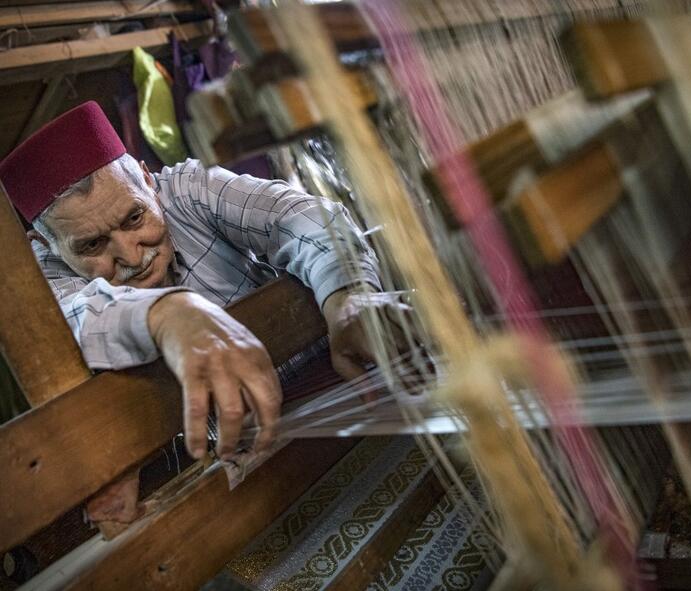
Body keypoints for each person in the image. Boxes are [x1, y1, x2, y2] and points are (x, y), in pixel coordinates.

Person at [0, 101, 396, 460]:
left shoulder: (189, 188)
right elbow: (76, 317)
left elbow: (297, 218)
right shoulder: (42, 281)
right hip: (237, 451)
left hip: (341, 386)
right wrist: (170, 314)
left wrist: (349, 298)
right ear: (47, 246)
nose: (132, 256)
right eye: (92, 245)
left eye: (135, 218)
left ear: (148, 180)